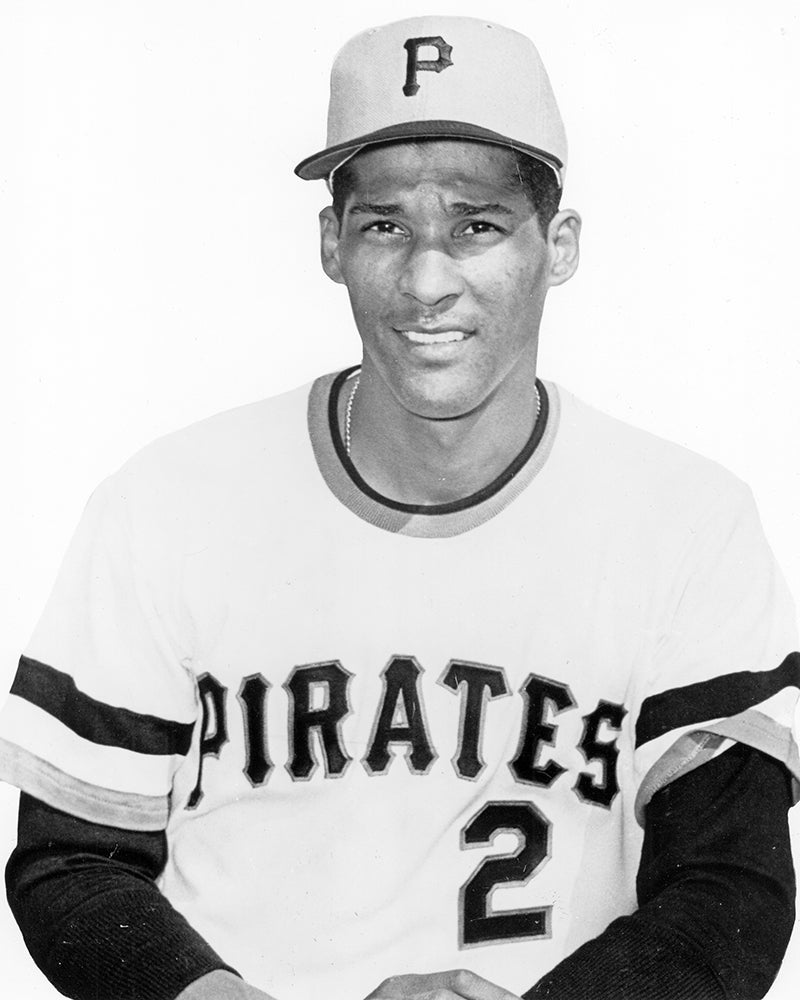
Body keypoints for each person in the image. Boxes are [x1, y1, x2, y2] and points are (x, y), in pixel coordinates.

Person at [1, 14, 798, 1000]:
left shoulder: (688, 523)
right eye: (385, 224)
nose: (427, 282)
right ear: (331, 242)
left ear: (557, 245)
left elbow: (731, 886)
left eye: (476, 223)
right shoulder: (166, 503)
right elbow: (70, 861)